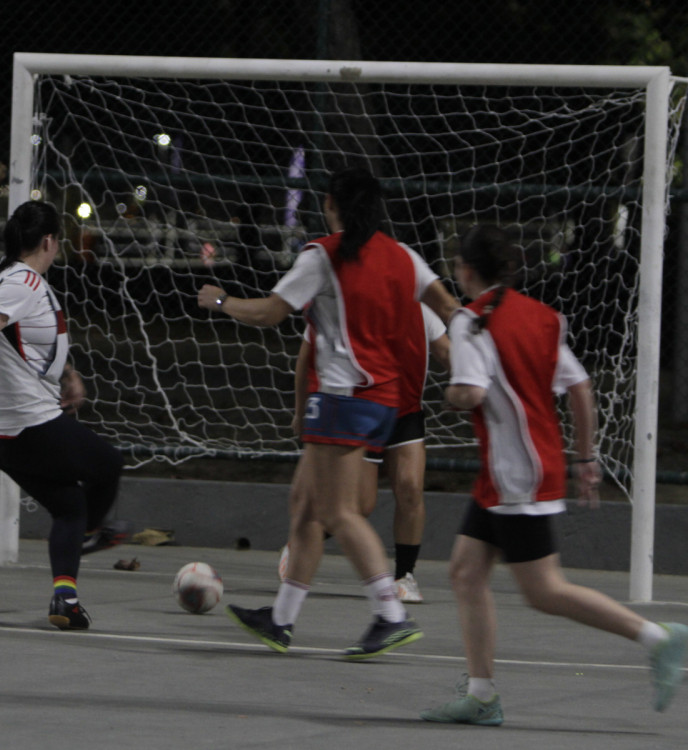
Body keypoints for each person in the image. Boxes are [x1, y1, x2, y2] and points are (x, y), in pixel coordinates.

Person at [420, 224, 688, 725]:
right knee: (465, 571)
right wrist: (586, 458)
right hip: (526, 466)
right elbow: (581, 388)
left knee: (543, 590)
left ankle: (660, 637)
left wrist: (450, 392)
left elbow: (471, 393)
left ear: (465, 271)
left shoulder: (469, 323)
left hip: (513, 473)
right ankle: (480, 695)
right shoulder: (542, 317)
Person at [199, 166, 459, 659]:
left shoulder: (324, 255)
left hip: (344, 396)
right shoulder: (404, 256)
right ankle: (281, 617)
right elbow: (448, 307)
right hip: (384, 399)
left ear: (330, 204)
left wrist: (221, 300)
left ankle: (390, 613)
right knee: (304, 502)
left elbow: (270, 313)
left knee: (338, 511)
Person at [0, 200, 129, 631]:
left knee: (68, 506)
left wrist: (67, 374)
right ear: (48, 242)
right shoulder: (24, 282)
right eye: (59, 242)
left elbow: (23, 339)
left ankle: (65, 599)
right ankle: (91, 533)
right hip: (27, 428)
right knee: (108, 465)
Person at [280, 302, 449, 603]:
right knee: (359, 506)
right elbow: (306, 357)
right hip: (365, 408)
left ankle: (404, 577)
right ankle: (302, 542)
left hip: (405, 411)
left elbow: (447, 353)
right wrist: (299, 410)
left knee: (410, 487)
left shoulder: (420, 310)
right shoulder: (344, 305)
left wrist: (475, 376)